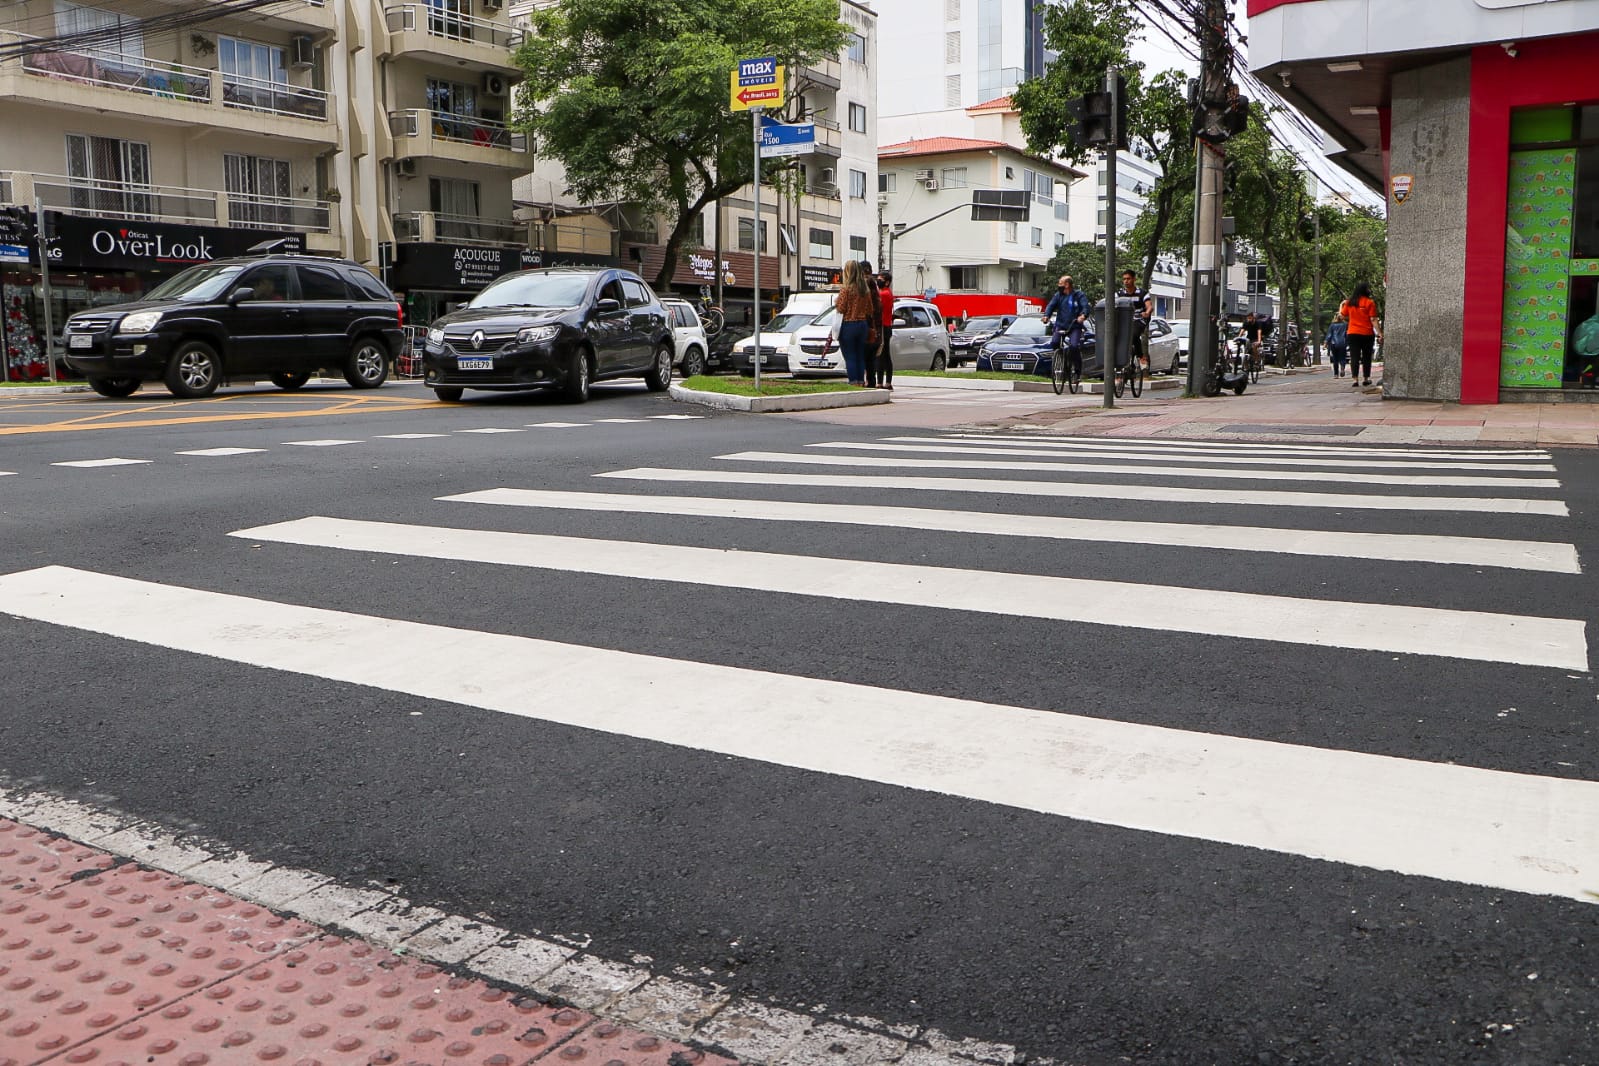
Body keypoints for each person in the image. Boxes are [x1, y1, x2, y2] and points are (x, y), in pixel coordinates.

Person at [834, 260, 875, 386]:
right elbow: (870, 310)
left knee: (850, 356)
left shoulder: (846, 289)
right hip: (862, 324)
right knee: (859, 355)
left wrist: (836, 301)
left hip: (848, 324)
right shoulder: (865, 290)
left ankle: (853, 382)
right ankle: (861, 381)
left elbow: (841, 308)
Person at [1043, 274, 1089, 377]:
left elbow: (1085, 306)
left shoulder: (1079, 295)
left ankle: (1077, 370)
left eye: (1060, 283)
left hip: (1074, 326)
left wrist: (1083, 316)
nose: (1058, 285)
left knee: (1073, 346)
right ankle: (1061, 360)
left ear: (1067, 284)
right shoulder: (1058, 295)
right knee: (1054, 342)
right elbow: (1050, 306)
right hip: (1061, 324)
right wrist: (1046, 316)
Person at [1340, 282, 1383, 387]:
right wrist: (1380, 333)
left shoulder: (1350, 303)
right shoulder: (1369, 302)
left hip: (1352, 332)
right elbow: (1373, 319)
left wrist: (1351, 320)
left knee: (1354, 356)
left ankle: (1355, 379)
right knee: (1366, 356)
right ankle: (1366, 378)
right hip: (1367, 333)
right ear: (1366, 290)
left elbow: (1342, 316)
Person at [1119, 269, 1154, 371]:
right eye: (1124, 279)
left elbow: (1149, 306)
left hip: (1139, 320)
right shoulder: (1120, 294)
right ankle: (1119, 367)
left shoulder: (1142, 293)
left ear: (1134, 279)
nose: (1126, 281)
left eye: (1128, 279)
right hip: (1125, 321)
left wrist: (1147, 313)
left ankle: (1141, 357)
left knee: (1133, 335)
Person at [874, 270, 896, 389]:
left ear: (887, 282)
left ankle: (880, 381)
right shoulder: (888, 293)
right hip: (886, 326)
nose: (878, 281)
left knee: (880, 355)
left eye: (880, 279)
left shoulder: (883, 294)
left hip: (882, 326)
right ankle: (887, 382)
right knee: (886, 354)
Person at [1325, 314, 1349, 378]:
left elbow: (1329, 335)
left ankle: (1336, 374)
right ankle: (1342, 368)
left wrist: (1326, 343)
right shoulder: (1346, 324)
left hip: (1334, 344)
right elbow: (1347, 334)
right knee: (1342, 357)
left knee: (1335, 359)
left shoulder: (1332, 325)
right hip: (1343, 343)